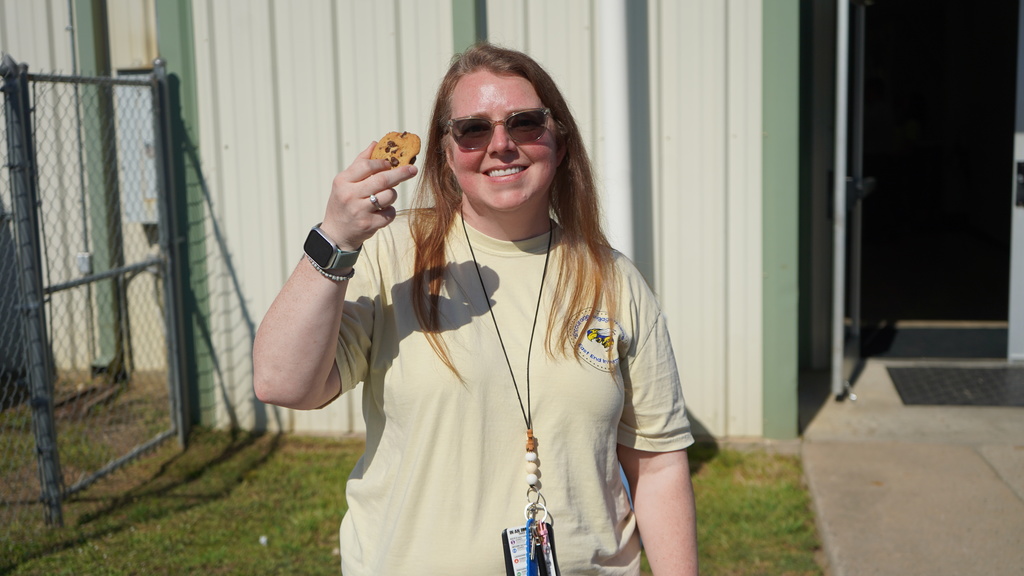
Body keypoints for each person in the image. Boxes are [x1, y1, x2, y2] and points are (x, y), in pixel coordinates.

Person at [253, 42, 697, 575]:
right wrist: (334, 240)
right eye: (474, 129)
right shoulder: (392, 254)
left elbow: (659, 464)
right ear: (445, 150)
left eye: (525, 123)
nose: (502, 145)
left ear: (558, 139)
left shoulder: (614, 279)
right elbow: (281, 382)